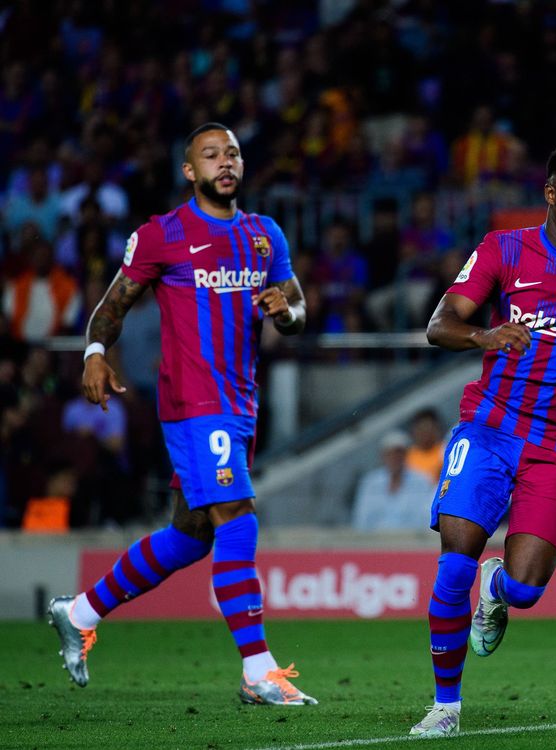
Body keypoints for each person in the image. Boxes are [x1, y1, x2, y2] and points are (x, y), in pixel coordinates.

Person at [47, 123, 316, 706]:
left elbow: (297, 306)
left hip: (240, 402)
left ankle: (80, 611)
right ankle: (258, 671)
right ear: (190, 171)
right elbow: (112, 306)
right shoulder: (162, 235)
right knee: (237, 520)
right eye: (211, 155)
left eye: (233, 153)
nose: (226, 162)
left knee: (191, 536)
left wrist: (285, 311)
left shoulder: (265, 235)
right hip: (193, 403)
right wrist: (94, 353)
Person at [410, 141, 556, 737]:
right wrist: (483, 336)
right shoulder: (504, 250)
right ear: (551, 194)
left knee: (524, 589)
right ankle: (445, 706)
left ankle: (498, 586)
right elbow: (440, 324)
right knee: (453, 564)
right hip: (489, 427)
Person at [350, 430, 437, 530]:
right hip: (375, 538)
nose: (394, 458)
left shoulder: (422, 481)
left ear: (406, 455)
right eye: (390, 454)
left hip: (410, 538)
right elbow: (360, 519)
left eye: (399, 453)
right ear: (383, 456)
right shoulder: (370, 483)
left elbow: (426, 519)